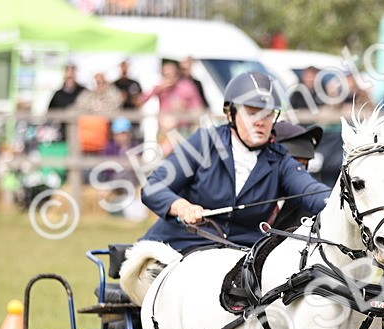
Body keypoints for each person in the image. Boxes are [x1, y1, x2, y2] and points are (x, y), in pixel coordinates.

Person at [139, 71, 331, 251]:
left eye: (267, 114)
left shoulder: (280, 160)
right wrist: (182, 207)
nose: (260, 121)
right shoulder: (204, 142)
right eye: (251, 112)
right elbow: (153, 188)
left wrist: (342, 198)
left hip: (239, 256)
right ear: (231, 113)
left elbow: (310, 191)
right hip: (180, 245)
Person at [268, 121, 324, 232]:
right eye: (291, 162)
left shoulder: (308, 210)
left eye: (303, 164)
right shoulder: (243, 188)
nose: (295, 170)